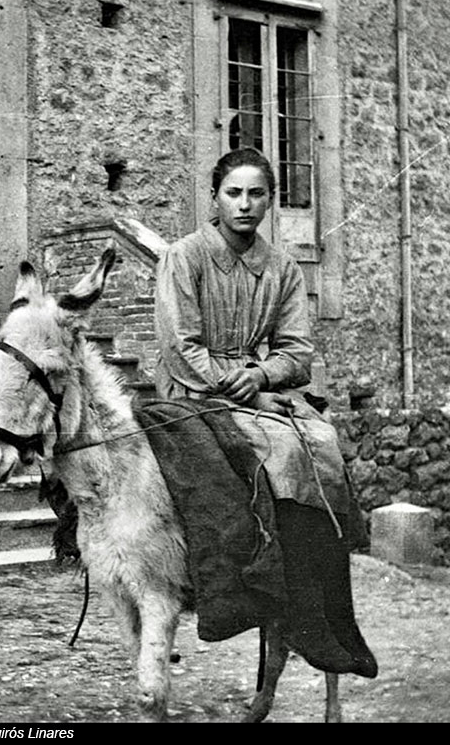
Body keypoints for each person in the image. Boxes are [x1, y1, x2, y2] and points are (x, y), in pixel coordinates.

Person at [153, 147, 377, 678]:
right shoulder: (184, 257)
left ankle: (330, 614)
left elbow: (297, 352)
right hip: (193, 392)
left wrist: (260, 376)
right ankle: (279, 603)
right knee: (281, 454)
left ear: (271, 200)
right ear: (214, 198)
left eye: (256, 194)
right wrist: (244, 392)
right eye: (233, 193)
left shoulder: (282, 268)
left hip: (253, 388)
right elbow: (180, 347)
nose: (244, 204)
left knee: (321, 444)